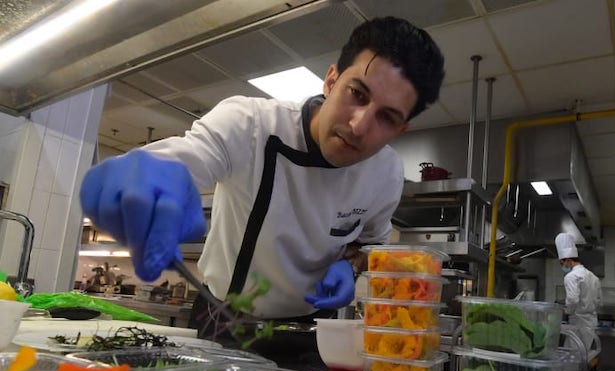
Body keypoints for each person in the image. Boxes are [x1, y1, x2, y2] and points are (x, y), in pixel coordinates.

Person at [79, 16, 445, 351]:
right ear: (332, 79)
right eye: (357, 94)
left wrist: (350, 267)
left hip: (312, 331)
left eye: (386, 117)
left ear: (401, 129)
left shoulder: (386, 174)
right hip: (223, 320)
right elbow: (189, 155)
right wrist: (143, 177)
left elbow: (370, 244)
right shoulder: (251, 124)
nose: (359, 126)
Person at [556, 232, 601, 371]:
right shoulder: (592, 276)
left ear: (568, 260)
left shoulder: (571, 277)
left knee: (571, 365)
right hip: (591, 323)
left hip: (578, 325)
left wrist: (565, 311)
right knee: (585, 361)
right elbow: (599, 300)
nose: (562, 266)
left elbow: (572, 301)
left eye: (562, 263)